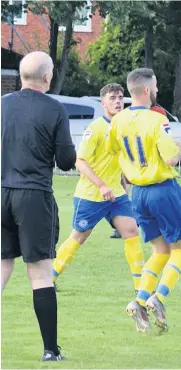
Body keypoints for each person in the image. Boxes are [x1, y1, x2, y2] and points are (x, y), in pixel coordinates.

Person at [1, 51, 76, 361]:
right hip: (33, 195)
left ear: (21, 76)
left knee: (3, 266)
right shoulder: (54, 109)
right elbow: (67, 161)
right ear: (48, 77)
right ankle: (50, 350)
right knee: (41, 274)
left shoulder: (2, 105)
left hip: (1, 190)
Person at [106, 68, 181, 333]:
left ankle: (140, 300)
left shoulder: (117, 121)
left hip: (138, 194)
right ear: (145, 90)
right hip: (162, 188)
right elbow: (170, 158)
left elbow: (113, 151)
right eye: (154, 87)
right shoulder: (156, 120)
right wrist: (177, 144)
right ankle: (159, 298)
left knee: (160, 250)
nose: (157, 91)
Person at [52, 83, 145, 298]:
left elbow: (118, 159)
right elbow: (80, 161)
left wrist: (125, 181)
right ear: (103, 103)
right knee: (78, 237)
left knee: (131, 231)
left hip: (116, 195)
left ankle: (141, 287)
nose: (118, 101)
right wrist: (101, 185)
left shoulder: (125, 129)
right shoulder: (95, 129)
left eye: (121, 97)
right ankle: (50, 277)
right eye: (112, 98)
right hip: (90, 196)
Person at [110, 104, 168, 239]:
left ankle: (138, 225)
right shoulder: (128, 113)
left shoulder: (158, 111)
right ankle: (127, 224)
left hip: (151, 165)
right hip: (135, 163)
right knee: (128, 193)